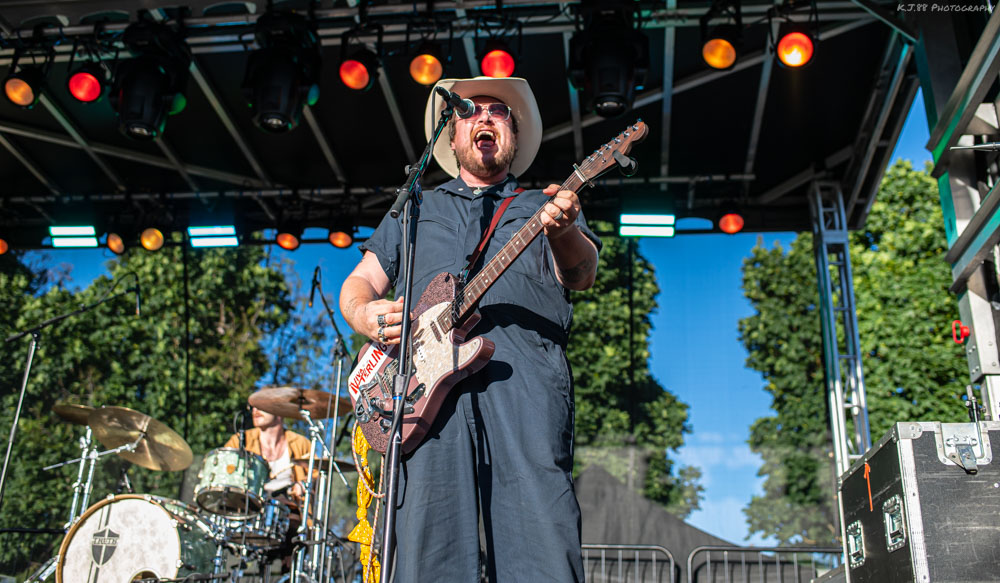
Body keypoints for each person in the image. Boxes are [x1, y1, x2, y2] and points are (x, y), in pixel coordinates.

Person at [339, 77, 600, 582]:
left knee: (539, 543)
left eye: (498, 112)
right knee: (426, 551)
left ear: (513, 137)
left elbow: (583, 274)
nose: (484, 118)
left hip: (522, 384)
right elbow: (359, 285)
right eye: (470, 112)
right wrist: (366, 315)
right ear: (452, 138)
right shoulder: (417, 208)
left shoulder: (539, 205)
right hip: (421, 397)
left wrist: (564, 229)